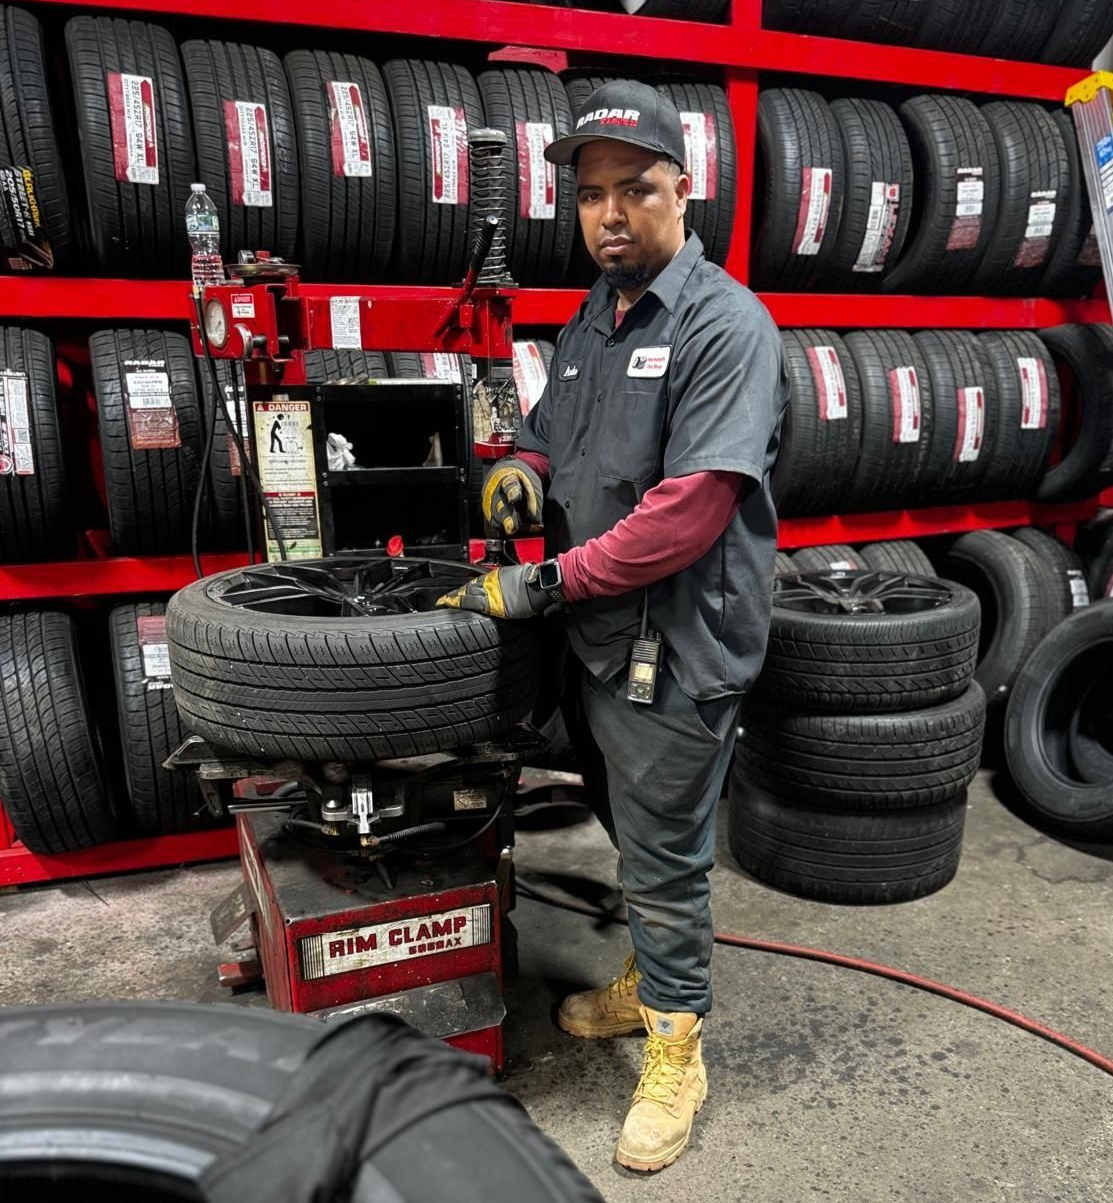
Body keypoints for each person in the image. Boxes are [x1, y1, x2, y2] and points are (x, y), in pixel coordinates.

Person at [437, 79, 787, 1173]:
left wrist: (544, 585)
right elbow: (548, 435)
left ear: (687, 189)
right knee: (628, 830)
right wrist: (520, 476)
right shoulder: (594, 319)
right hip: (599, 637)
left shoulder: (727, 326)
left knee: (670, 858)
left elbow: (691, 511)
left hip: (676, 645)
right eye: (591, 196)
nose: (610, 215)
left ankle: (679, 1045)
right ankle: (650, 978)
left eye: (635, 189)